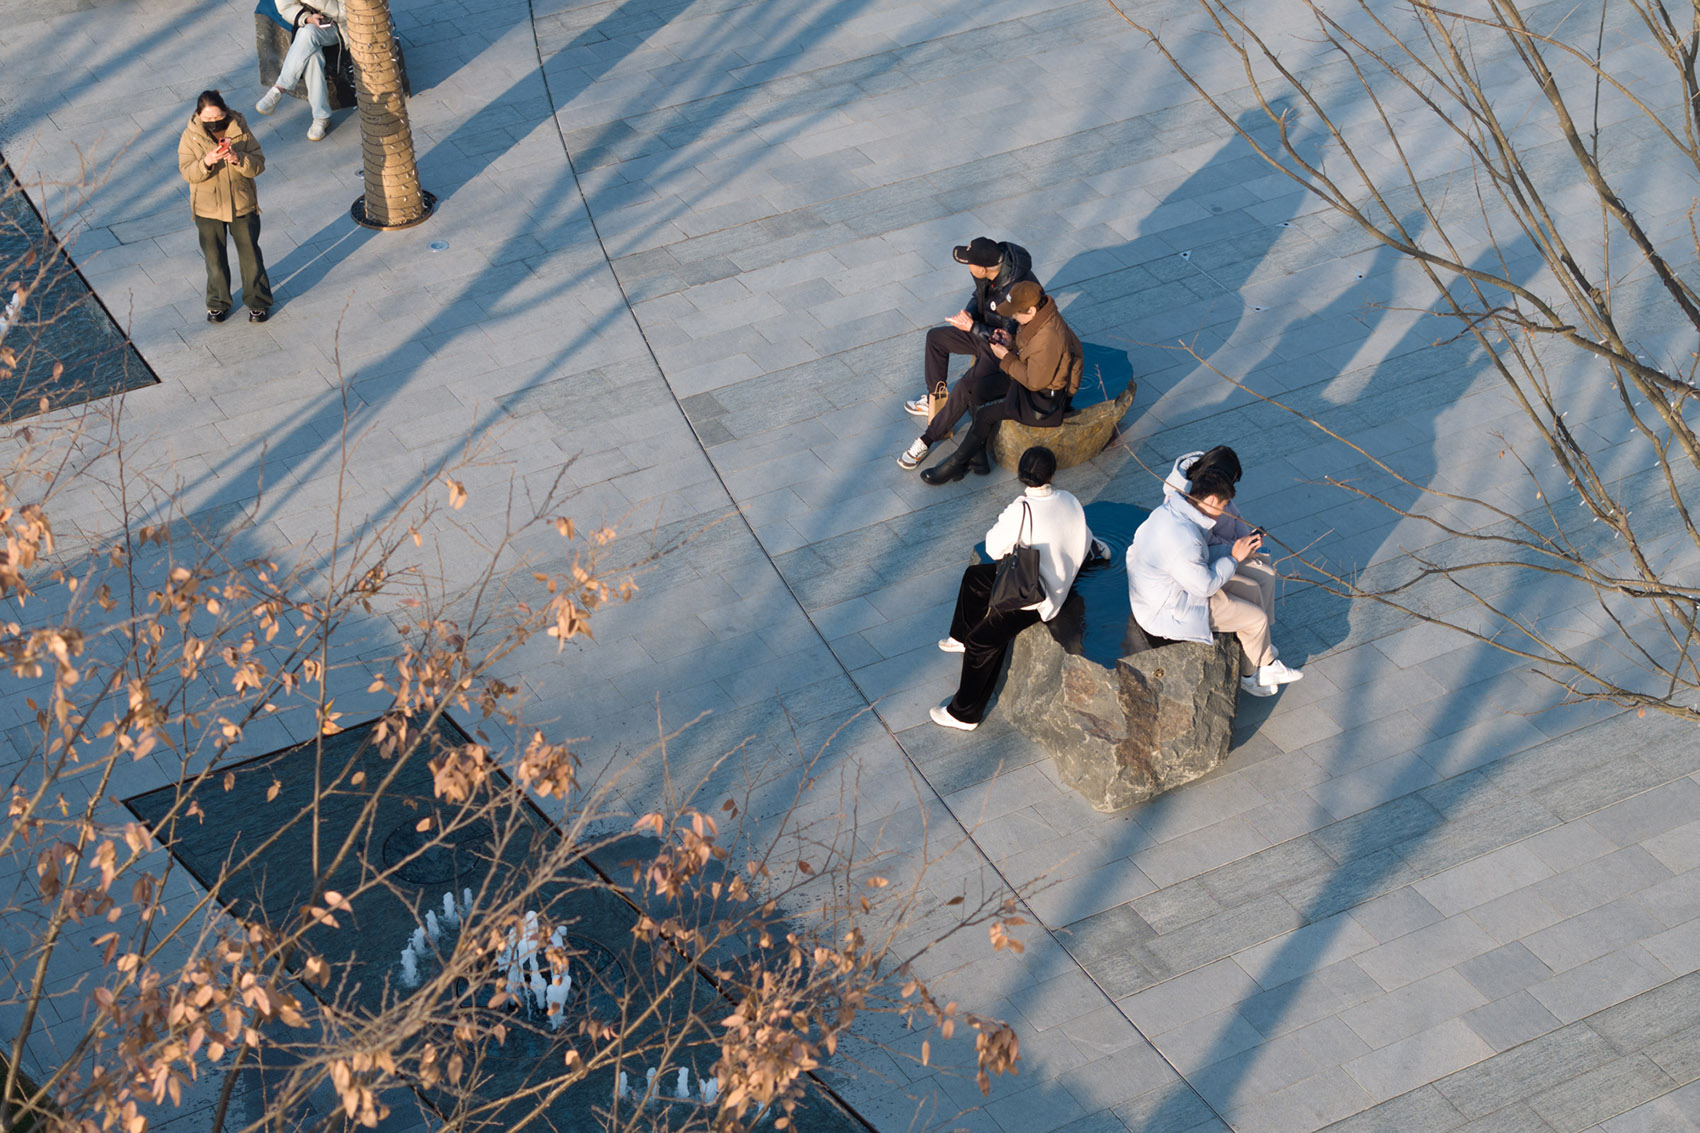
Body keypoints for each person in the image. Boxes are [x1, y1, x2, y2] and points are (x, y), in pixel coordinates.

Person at [930, 447, 1096, 731]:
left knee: (984, 641)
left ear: (1020, 475)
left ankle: (964, 714)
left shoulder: (1021, 509)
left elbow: (994, 548)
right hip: (1053, 581)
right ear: (1052, 474)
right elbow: (1086, 538)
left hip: (1033, 595)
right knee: (975, 577)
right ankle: (960, 637)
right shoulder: (1069, 500)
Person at [1126, 466, 1303, 697]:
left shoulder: (1178, 510)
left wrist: (1237, 551)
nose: (1223, 513)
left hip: (1178, 586)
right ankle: (1252, 676)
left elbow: (1200, 561)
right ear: (1210, 500)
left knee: (1252, 589)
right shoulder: (1183, 538)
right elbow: (1204, 586)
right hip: (1169, 608)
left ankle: (1261, 654)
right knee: (1255, 618)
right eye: (1223, 506)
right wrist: (1233, 557)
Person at [897, 236, 1039, 473]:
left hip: (1002, 349)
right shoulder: (990, 271)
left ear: (983, 267)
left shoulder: (1016, 289)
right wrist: (968, 315)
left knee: (965, 387)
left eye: (969, 263)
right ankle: (936, 401)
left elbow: (1006, 338)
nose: (967, 267)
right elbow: (978, 296)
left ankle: (927, 439)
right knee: (936, 338)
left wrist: (972, 327)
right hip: (982, 329)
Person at [918, 281, 1082, 485]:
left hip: (1042, 401)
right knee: (976, 389)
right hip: (1027, 379)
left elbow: (1034, 381)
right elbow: (1030, 351)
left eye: (1015, 313)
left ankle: (955, 464)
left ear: (1031, 310)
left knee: (986, 415)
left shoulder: (1049, 337)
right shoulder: (1040, 318)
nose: (1012, 316)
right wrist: (1010, 342)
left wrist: (1006, 357)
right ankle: (978, 459)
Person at [177, 91, 273, 324]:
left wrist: (238, 158)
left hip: (241, 205)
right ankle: (217, 303)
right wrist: (206, 162)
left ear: (226, 111)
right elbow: (187, 172)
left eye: (218, 116)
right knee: (214, 259)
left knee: (251, 256)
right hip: (207, 209)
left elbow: (258, 164)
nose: (214, 122)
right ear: (199, 116)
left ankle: (258, 302)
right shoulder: (191, 136)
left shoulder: (239, 130)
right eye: (208, 119)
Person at [255, 0, 345, 141]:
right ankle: (321, 117)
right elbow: (286, 6)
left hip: (344, 25)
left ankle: (279, 88)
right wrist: (308, 18)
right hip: (312, 24)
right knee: (312, 57)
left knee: (307, 33)